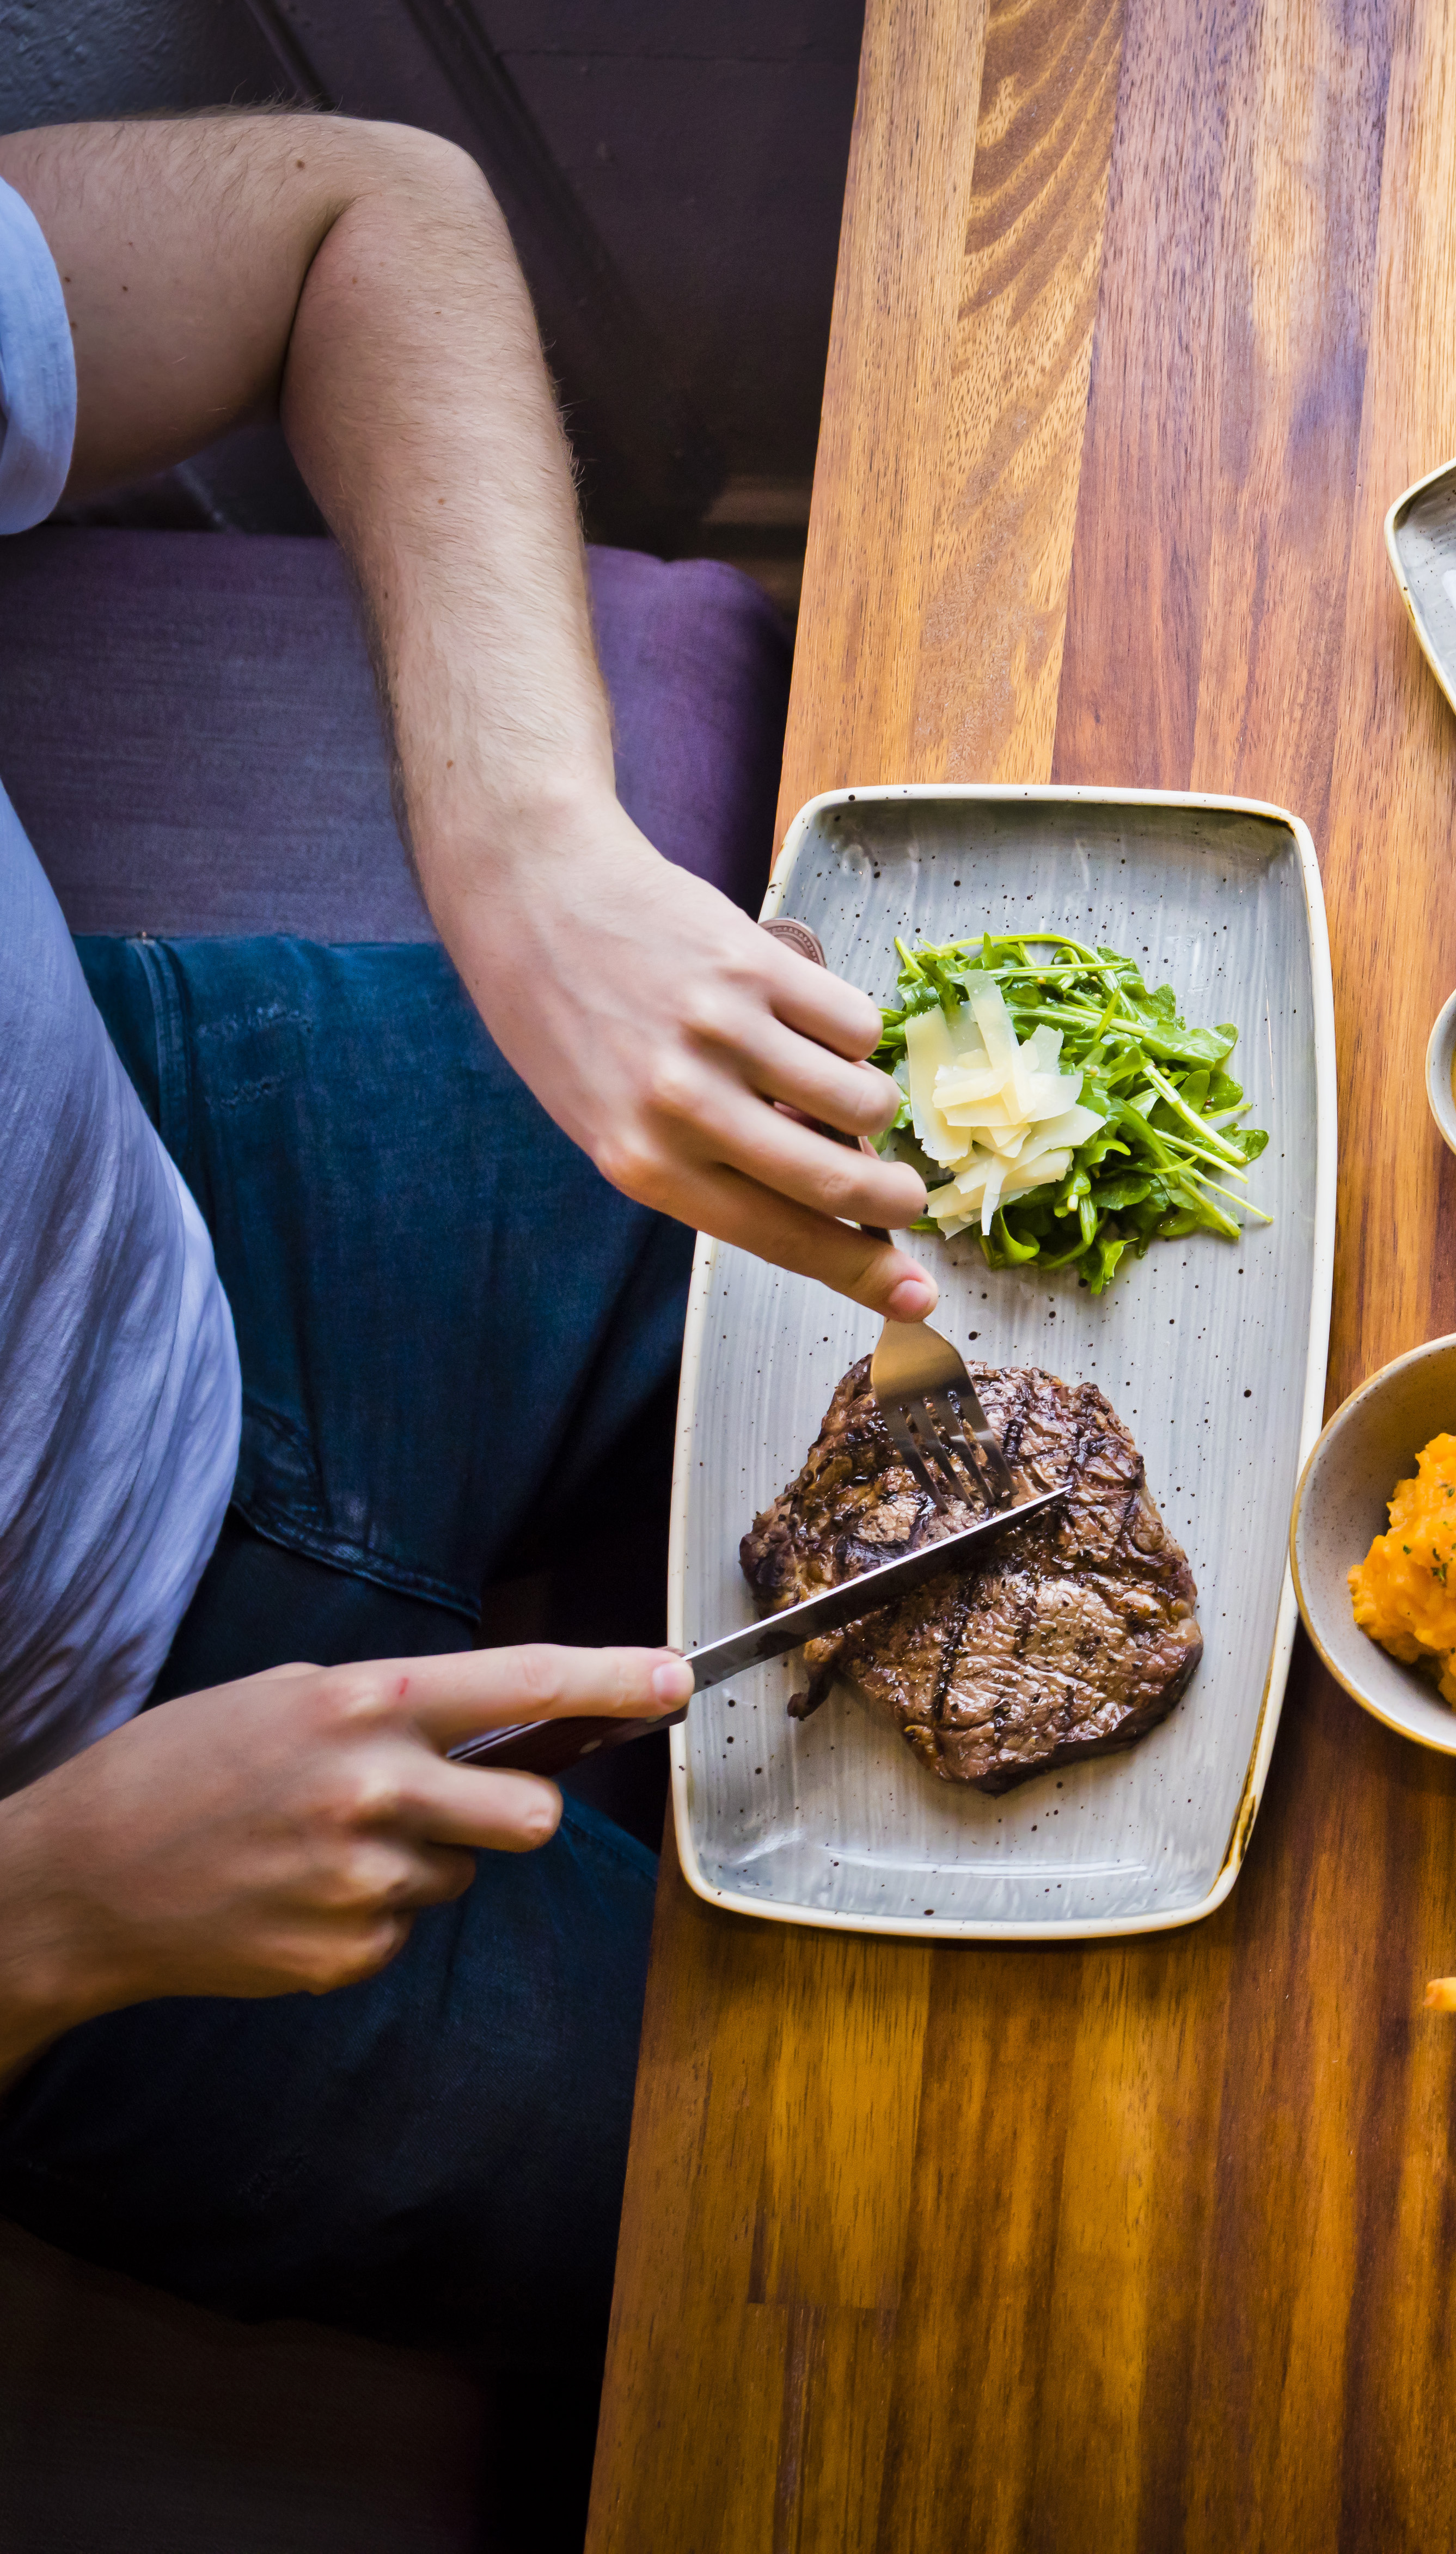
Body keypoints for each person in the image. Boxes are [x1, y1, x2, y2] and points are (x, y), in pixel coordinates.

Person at [0, 111, 934, 2418]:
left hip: (193, 1176)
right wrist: (50, 1915)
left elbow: (353, 215)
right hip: (84, 1855)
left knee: (1108, 1189)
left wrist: (525, 846)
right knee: (922, 2227)